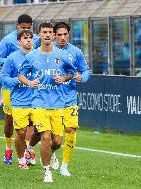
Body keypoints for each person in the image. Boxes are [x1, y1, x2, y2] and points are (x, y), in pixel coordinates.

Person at [18, 22, 76, 183]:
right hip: (39, 103)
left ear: (53, 34)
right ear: (40, 35)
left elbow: (72, 72)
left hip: (57, 104)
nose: (48, 35)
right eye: (45, 32)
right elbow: (21, 75)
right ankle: (47, 172)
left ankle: (48, 154)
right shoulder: (32, 56)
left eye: (50, 32)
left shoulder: (62, 55)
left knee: (57, 141)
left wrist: (63, 78)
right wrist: (30, 83)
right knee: (45, 136)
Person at [0, 14, 39, 165]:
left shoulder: (36, 40)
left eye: (29, 28)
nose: (26, 30)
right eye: (23, 28)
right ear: (17, 26)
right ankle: (8, 148)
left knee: (31, 123)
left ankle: (27, 151)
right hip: (12, 88)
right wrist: (13, 61)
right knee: (9, 119)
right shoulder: (8, 40)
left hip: (31, 89)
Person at [53, 21, 90, 176]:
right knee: (55, 140)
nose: (62, 37)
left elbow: (85, 70)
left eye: (65, 34)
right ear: (54, 36)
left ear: (69, 34)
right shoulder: (46, 51)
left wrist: (83, 77)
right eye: (59, 35)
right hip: (51, 99)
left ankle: (64, 166)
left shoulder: (76, 52)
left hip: (69, 98)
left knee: (71, 130)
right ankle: (50, 152)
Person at [0, 30, 34, 169]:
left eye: (31, 38)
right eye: (25, 38)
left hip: (37, 100)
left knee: (40, 131)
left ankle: (29, 149)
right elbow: (3, 77)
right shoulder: (12, 58)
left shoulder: (39, 56)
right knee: (20, 132)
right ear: (19, 41)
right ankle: (21, 160)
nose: (29, 40)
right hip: (20, 100)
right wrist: (18, 80)